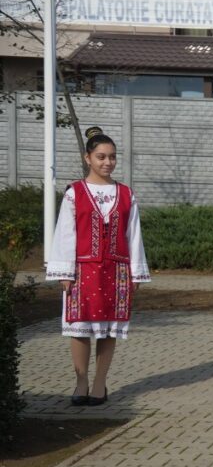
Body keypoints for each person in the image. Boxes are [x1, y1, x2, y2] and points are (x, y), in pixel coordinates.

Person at [46, 126, 150, 406]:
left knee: (108, 328)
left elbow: (133, 234)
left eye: (112, 157)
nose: (108, 162)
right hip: (82, 270)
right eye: (101, 156)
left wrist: (135, 272)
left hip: (116, 271)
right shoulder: (74, 192)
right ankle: (81, 381)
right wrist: (64, 272)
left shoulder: (126, 194)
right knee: (80, 327)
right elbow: (66, 232)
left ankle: (100, 384)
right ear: (87, 158)